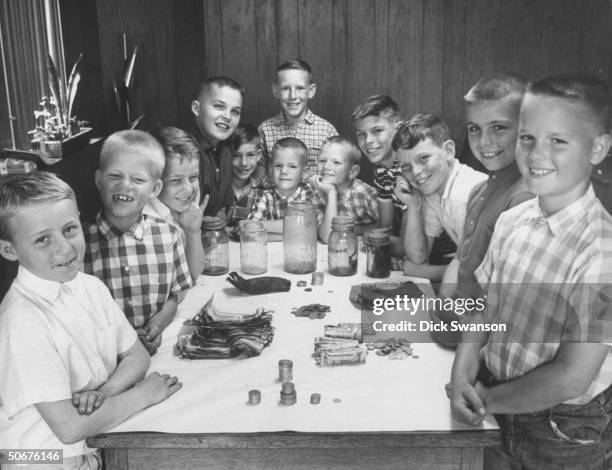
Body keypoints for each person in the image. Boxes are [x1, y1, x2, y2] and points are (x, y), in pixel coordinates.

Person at [450, 73, 612, 469]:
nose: (537, 154)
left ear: (598, 148)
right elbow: (485, 309)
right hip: (492, 397)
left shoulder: (602, 251)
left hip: (560, 430)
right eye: (528, 137)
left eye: (558, 140)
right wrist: (461, 377)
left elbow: (571, 376)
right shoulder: (513, 221)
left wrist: (486, 400)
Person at [0, 172, 181, 469]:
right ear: (9, 249)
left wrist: (104, 394)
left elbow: (137, 355)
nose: (65, 248)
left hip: (92, 446)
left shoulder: (89, 287)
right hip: (35, 457)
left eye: (69, 229)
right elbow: (69, 428)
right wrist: (142, 394)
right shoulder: (22, 319)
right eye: (43, 239)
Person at [84, 130, 193, 356]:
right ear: (98, 179)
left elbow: (174, 296)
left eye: (138, 179)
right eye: (115, 176)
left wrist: (157, 325)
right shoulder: (79, 244)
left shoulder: (170, 234)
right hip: (103, 357)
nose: (125, 185)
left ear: (155, 189)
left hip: (159, 351)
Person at [392, 114, 487, 281]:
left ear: (449, 151)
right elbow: (418, 256)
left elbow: (479, 273)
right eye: (406, 167)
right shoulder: (434, 190)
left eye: (423, 159)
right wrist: (413, 206)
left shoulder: (461, 197)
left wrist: (422, 272)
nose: (415, 172)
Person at [258, 59, 337, 181]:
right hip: (275, 197)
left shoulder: (327, 131)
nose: (293, 96)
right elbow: (259, 178)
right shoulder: (265, 129)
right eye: (285, 88)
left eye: (300, 88)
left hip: (315, 198)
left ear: (311, 91)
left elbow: (335, 175)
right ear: (276, 91)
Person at [146, 126, 208, 281]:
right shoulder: (149, 222)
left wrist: (193, 232)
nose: (188, 188)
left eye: (193, 178)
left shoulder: (181, 210)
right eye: (176, 181)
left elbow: (193, 273)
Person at [247, 137, 321, 240]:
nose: (284, 171)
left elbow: (313, 227)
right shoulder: (265, 195)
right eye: (278, 165)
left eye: (292, 166)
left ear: (305, 173)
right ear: (270, 169)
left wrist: (263, 225)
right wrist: (296, 232)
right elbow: (251, 230)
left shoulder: (310, 193)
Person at [190, 76, 243, 217]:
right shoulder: (183, 153)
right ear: (196, 108)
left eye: (235, 112)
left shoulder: (225, 153)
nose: (227, 116)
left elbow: (222, 210)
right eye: (219, 106)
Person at [311, 136, 378, 243]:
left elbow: (386, 226)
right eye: (322, 160)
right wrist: (331, 193)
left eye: (336, 162)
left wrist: (359, 229)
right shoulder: (318, 194)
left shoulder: (364, 192)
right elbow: (327, 237)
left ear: (352, 172)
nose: (326, 166)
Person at [352, 94, 403, 232]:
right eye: (361, 134)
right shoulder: (380, 169)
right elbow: (386, 226)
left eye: (377, 131)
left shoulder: (409, 167)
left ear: (398, 129)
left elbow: (413, 243)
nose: (368, 140)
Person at [225, 124, 265, 227]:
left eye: (250, 155)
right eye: (236, 155)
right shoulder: (218, 188)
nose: (243, 163)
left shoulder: (262, 193)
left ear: (259, 155)